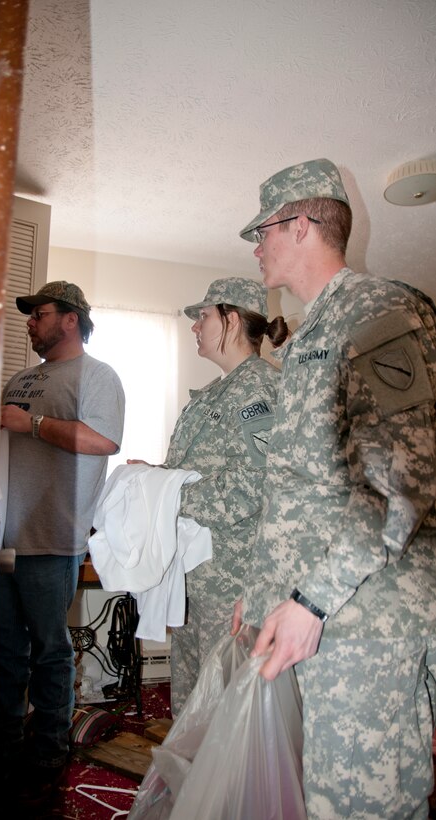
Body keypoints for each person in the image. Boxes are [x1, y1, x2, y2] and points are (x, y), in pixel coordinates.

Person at [233, 158, 436, 818]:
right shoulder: (305, 339)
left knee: (356, 805)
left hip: (366, 621)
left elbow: (401, 483)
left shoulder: (382, 313)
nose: (256, 247)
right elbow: (303, 492)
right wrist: (263, 590)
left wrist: (310, 601)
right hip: (323, 613)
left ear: (297, 225)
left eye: (260, 232)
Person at [0, 280, 125, 810]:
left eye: (38, 313)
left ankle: (47, 756)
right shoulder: (21, 378)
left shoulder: (98, 376)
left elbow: (102, 441)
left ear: (70, 319)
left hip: (52, 539)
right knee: (3, 655)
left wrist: (35, 423)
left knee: (49, 654)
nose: (30, 321)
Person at [130, 277, 288, 717]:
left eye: (202, 316)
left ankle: (224, 790)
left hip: (232, 585)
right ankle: (192, 785)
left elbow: (252, 488)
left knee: (226, 713)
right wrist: (153, 476)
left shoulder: (258, 390)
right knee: (193, 707)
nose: (194, 326)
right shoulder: (214, 394)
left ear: (231, 319)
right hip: (196, 578)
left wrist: (168, 492)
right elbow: (192, 475)